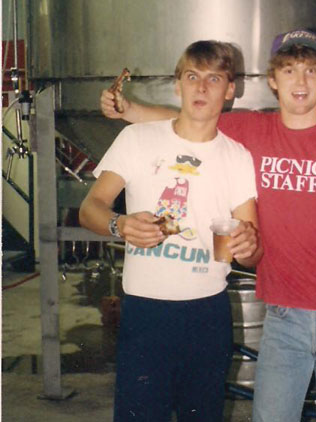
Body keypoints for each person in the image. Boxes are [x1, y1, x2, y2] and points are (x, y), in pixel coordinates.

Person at [100, 29, 316, 422]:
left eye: (310, 70)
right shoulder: (251, 132)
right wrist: (130, 110)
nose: (300, 81)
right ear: (272, 80)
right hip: (284, 318)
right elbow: (191, 117)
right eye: (288, 70)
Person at [81, 40, 262, 422]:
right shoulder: (137, 139)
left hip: (208, 313)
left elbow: (252, 252)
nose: (202, 87)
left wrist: (248, 244)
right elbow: (90, 208)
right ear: (177, 85)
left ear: (230, 90)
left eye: (214, 79)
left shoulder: (237, 157)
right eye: (192, 77)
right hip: (145, 312)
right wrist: (120, 224)